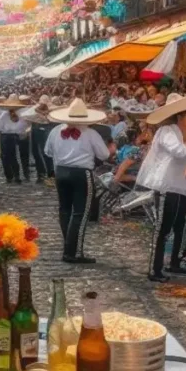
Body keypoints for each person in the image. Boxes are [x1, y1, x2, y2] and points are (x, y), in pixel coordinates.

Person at [140, 93, 186, 281]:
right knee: (163, 228)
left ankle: (174, 263)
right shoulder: (167, 131)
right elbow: (180, 153)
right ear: (181, 116)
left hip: (184, 188)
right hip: (168, 186)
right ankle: (154, 269)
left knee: (181, 226)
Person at [45, 99, 112, 264]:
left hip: (61, 171)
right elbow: (104, 155)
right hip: (81, 173)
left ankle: (69, 247)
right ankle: (73, 251)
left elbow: (48, 151)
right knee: (80, 213)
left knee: (65, 210)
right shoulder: (90, 133)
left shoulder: (55, 131)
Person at [0, 95, 30, 184]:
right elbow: (21, 128)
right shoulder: (21, 115)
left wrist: (6, 129)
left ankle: (10, 176)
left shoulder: (5, 114)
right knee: (12, 157)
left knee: (5, 157)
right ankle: (15, 176)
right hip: (13, 136)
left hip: (6, 136)